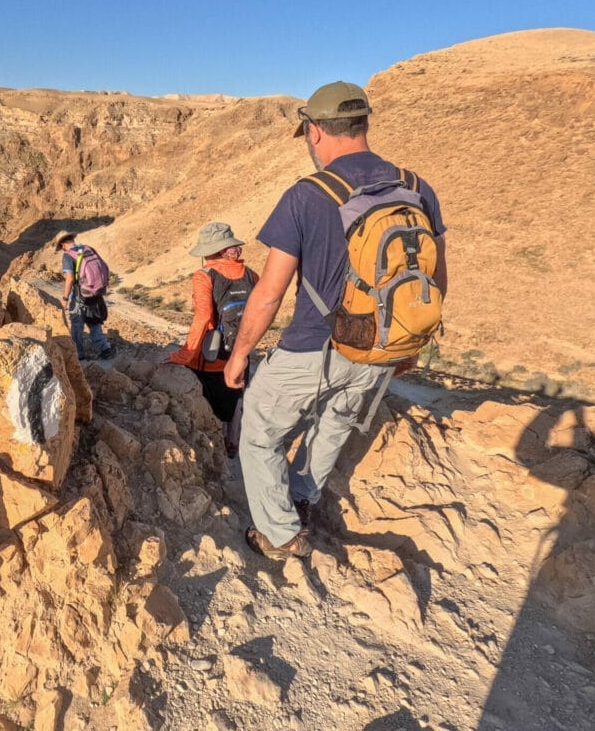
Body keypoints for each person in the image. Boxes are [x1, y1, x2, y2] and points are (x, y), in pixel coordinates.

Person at [222, 81, 449, 560]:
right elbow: (434, 277)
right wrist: (407, 346)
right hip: (381, 347)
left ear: (316, 130)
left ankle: (280, 534)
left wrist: (240, 353)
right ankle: (302, 497)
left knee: (260, 430)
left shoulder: (308, 195)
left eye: (306, 133)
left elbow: (268, 294)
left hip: (312, 347)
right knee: (336, 424)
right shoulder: (415, 187)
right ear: (362, 124)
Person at [167, 222, 258, 457]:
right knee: (236, 397)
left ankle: (214, 453)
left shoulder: (204, 275)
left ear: (210, 250)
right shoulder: (251, 275)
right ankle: (233, 443)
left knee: (211, 406)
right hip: (240, 353)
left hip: (211, 358)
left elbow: (203, 317)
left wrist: (184, 355)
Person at [54, 230, 115, 361]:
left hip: (80, 294)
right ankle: (105, 348)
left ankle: (79, 355)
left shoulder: (68, 255)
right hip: (95, 291)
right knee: (93, 320)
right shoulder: (87, 249)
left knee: (77, 324)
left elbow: (69, 278)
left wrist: (65, 298)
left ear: (63, 244)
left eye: (61, 247)